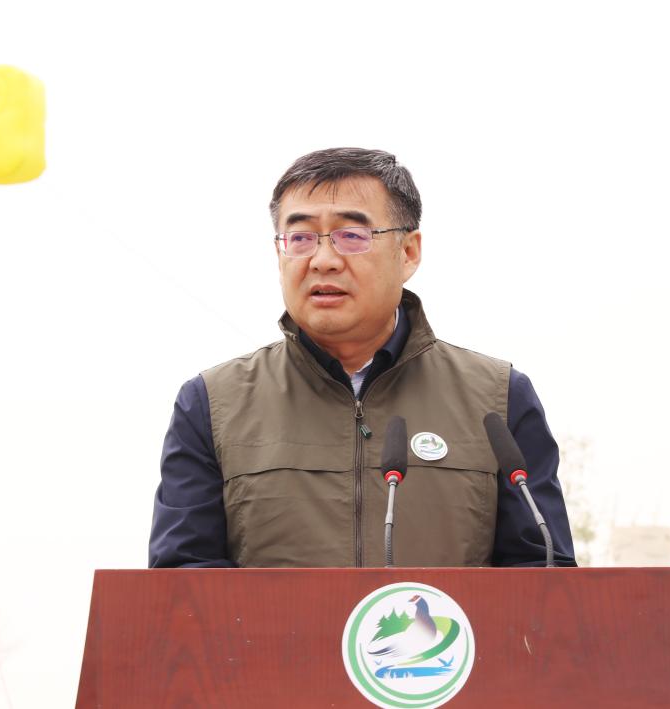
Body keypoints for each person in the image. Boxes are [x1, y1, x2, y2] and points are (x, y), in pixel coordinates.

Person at [148, 147, 575, 568]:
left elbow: (545, 577)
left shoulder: (498, 400)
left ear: (408, 252)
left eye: (351, 236)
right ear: (279, 254)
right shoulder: (212, 405)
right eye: (300, 238)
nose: (323, 261)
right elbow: (183, 585)